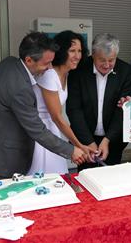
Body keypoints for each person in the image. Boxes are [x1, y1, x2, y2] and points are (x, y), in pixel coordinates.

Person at [0, 32, 94, 181]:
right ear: (29, 60)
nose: (49, 68)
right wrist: (71, 150)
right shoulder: (21, 88)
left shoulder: (8, 63)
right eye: (46, 63)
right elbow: (38, 130)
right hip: (1, 155)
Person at [28, 30, 92, 175]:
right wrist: (78, 145)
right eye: (72, 51)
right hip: (41, 132)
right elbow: (57, 116)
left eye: (80, 51)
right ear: (62, 51)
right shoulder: (50, 75)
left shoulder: (66, 74)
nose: (77, 56)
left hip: (53, 129)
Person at [66, 33, 131, 170]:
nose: (107, 65)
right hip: (84, 139)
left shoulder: (125, 71)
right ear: (93, 55)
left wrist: (107, 140)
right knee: (85, 177)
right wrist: (89, 142)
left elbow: (122, 110)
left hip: (113, 139)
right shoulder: (79, 70)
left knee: (112, 179)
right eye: (102, 60)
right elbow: (74, 109)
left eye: (111, 60)